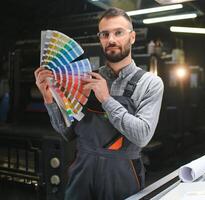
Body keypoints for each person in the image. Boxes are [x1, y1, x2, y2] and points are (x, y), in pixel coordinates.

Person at [34, 7, 164, 200]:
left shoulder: (150, 83)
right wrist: (49, 99)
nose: (111, 39)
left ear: (132, 37)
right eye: (105, 34)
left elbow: (142, 136)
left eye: (118, 32)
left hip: (121, 173)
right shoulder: (84, 78)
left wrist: (106, 99)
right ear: (100, 38)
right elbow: (68, 133)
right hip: (82, 170)